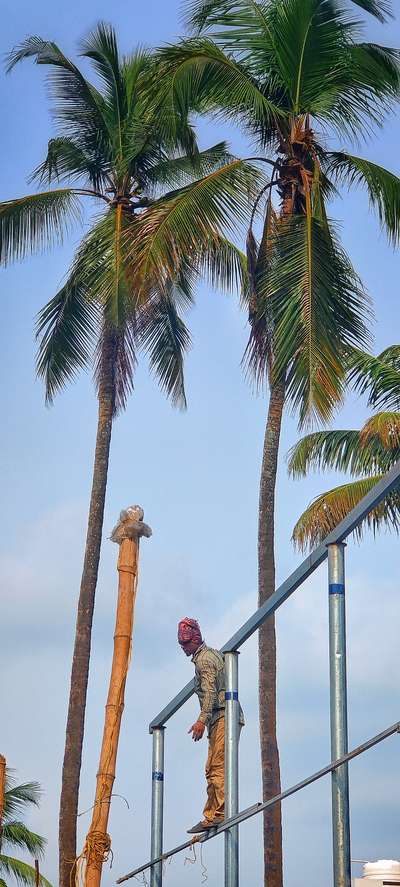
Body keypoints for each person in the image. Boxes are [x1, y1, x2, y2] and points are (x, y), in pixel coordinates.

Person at [177, 617, 244, 834]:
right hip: (224, 716)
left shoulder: (204, 660)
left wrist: (200, 721)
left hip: (223, 715)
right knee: (213, 766)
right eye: (181, 644)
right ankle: (213, 812)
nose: (184, 648)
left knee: (216, 766)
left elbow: (210, 693)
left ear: (195, 639)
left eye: (186, 644)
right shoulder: (211, 653)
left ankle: (219, 812)